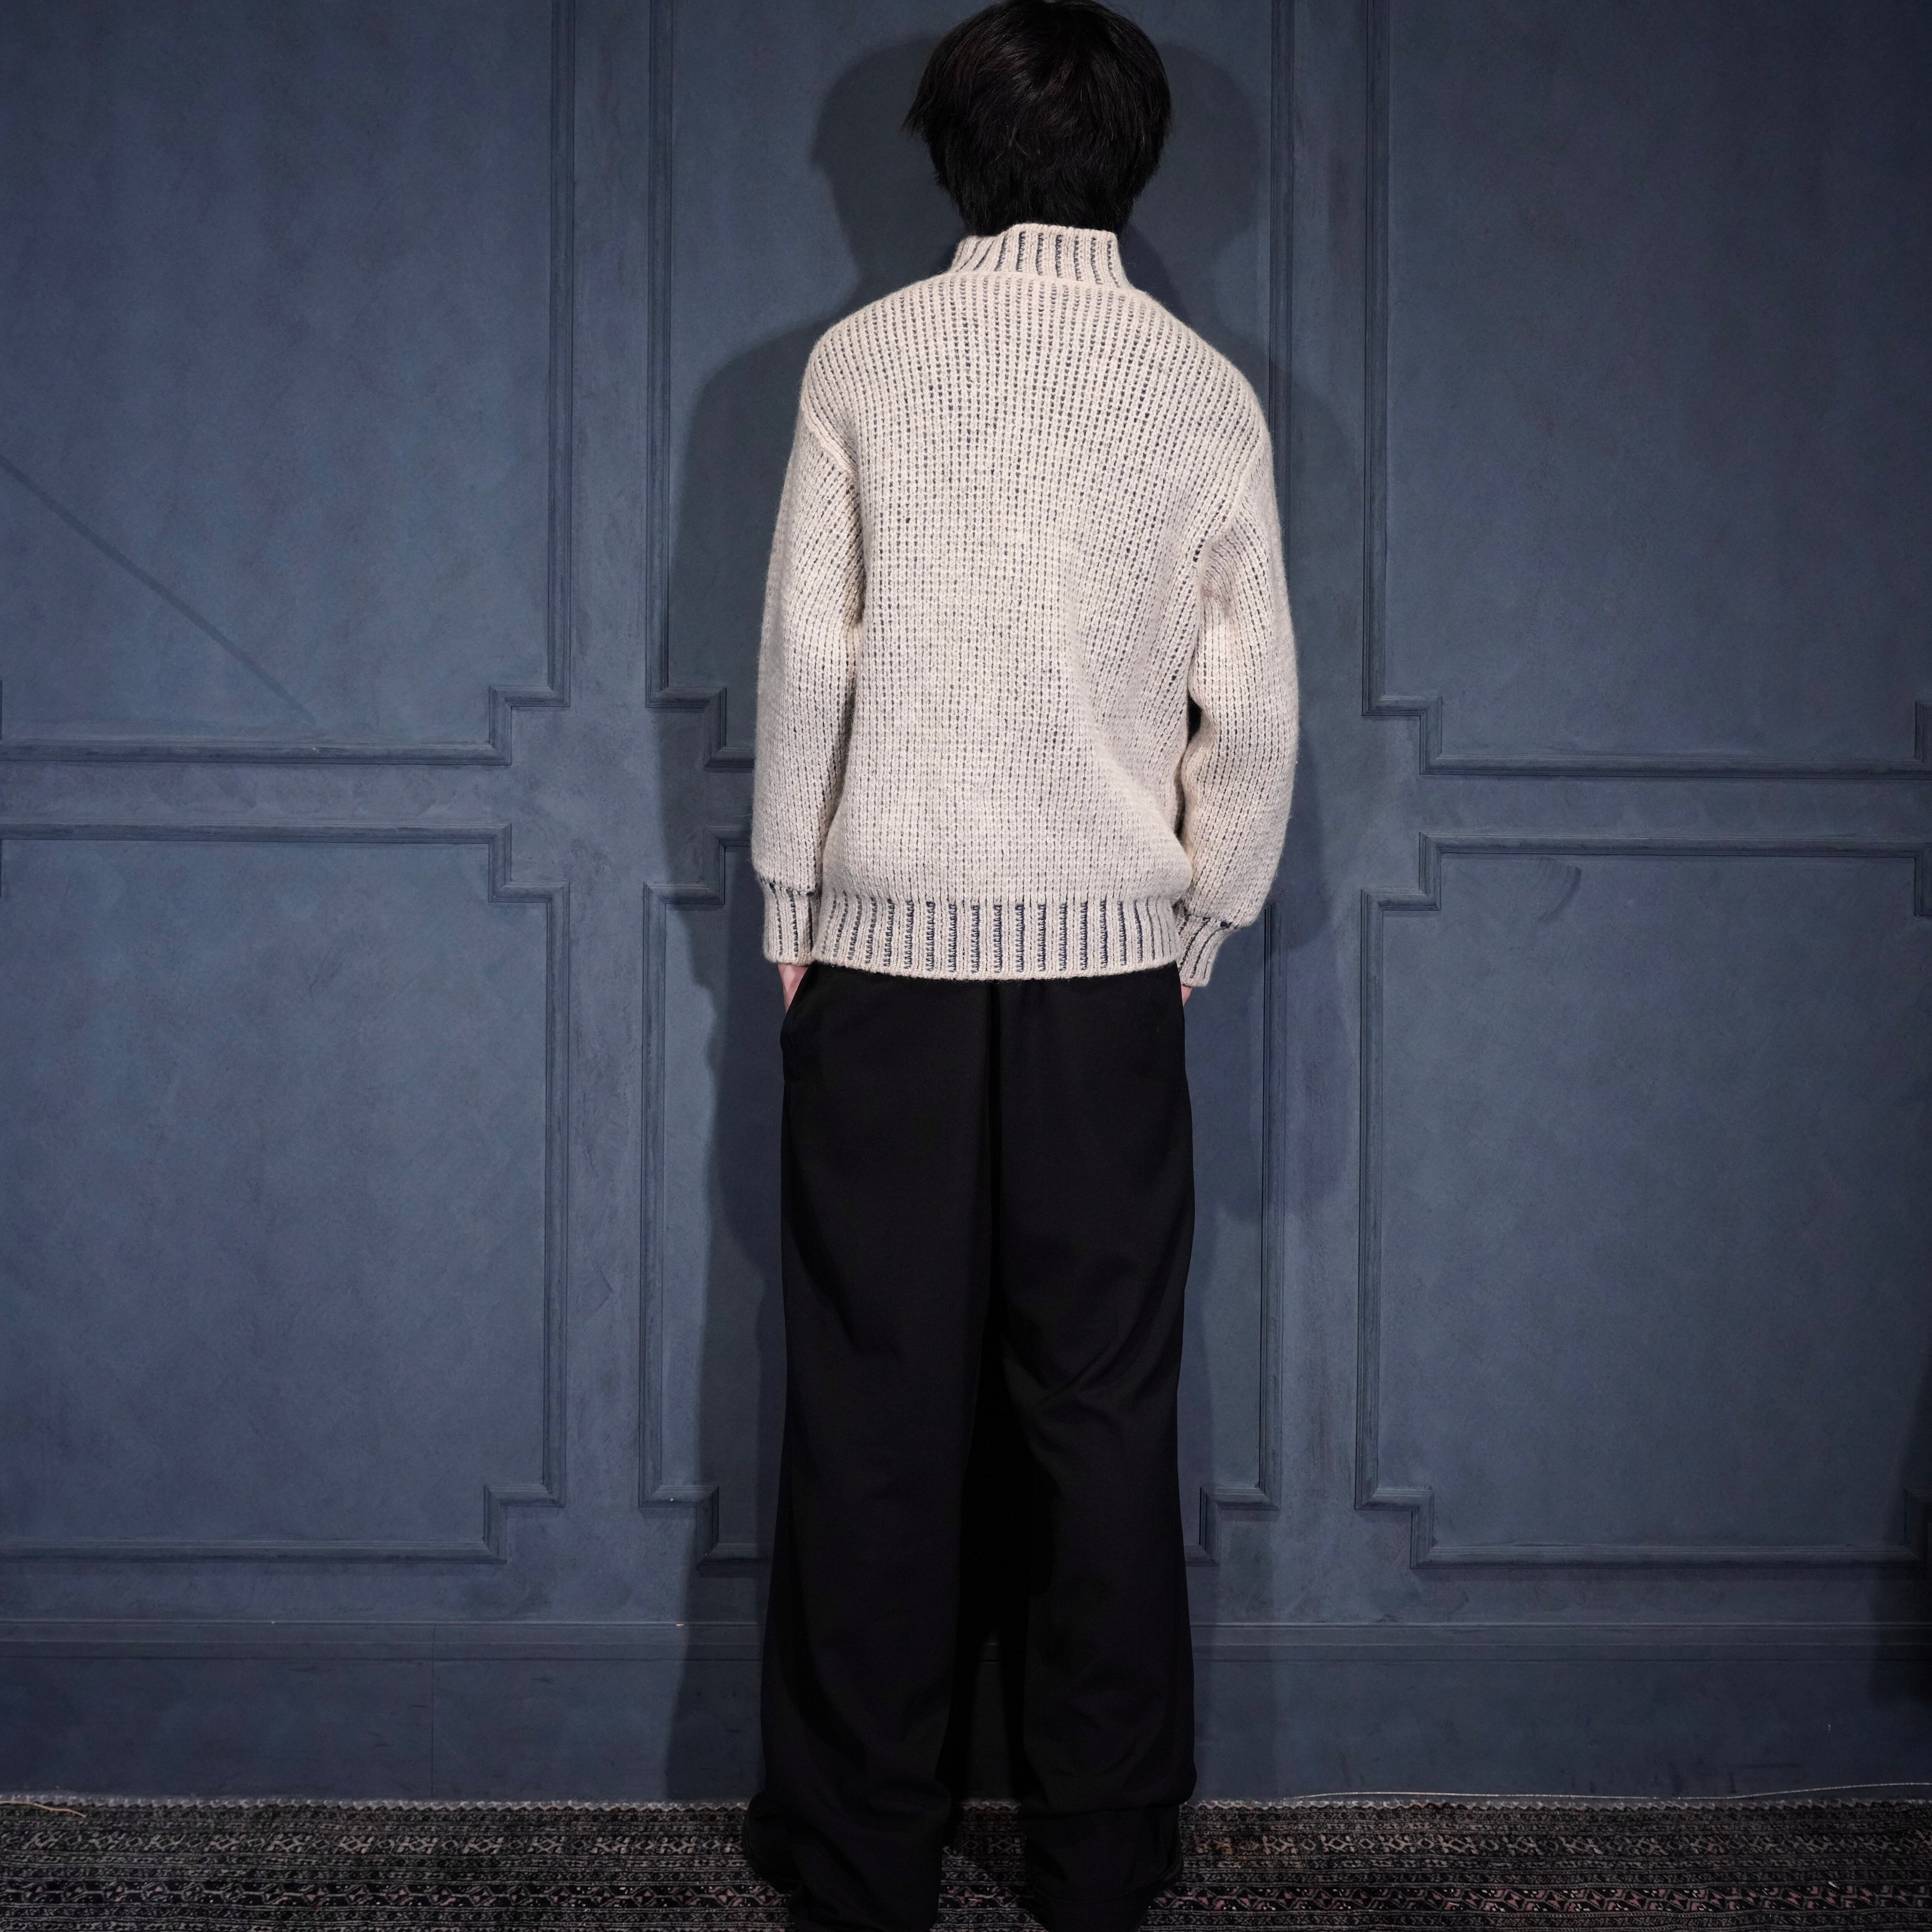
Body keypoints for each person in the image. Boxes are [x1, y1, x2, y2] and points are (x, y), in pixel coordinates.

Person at [740, 2, 1298, 1927]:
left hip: (879, 962)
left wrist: (794, 910)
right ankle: (1100, 1853)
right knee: (1100, 1409)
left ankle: (857, 1853)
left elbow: (806, 655)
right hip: (1107, 983)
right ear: (1132, 158)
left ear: (948, 155)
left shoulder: (862, 362)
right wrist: (1196, 921)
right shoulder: (1203, 394)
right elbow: (1256, 713)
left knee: (872, 1406)